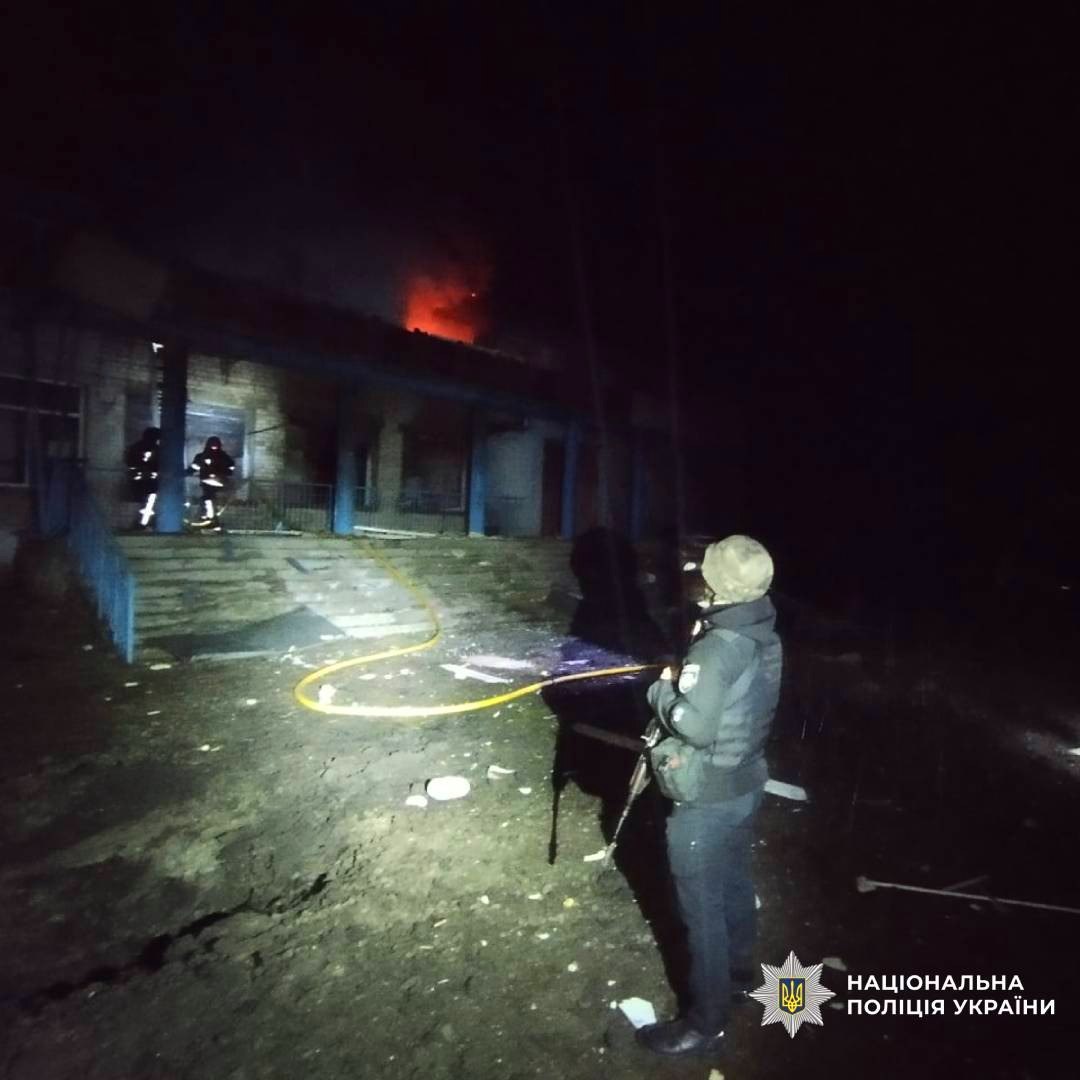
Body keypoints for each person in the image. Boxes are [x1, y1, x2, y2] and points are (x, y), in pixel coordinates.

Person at [636, 534, 782, 1059]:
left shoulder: (717, 647)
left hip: (709, 797)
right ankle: (739, 977)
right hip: (746, 781)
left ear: (716, 583)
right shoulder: (763, 630)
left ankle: (705, 1022)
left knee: (701, 910)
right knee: (734, 883)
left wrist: (661, 690)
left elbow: (694, 726)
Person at [189, 436, 235, 529]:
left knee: (208, 499)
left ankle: (210, 518)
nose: (214, 447)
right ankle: (208, 517)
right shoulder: (201, 456)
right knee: (207, 499)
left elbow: (230, 468)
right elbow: (194, 467)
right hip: (207, 483)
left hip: (218, 482)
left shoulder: (224, 457)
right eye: (212, 445)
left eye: (215, 445)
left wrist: (220, 473)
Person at [124, 426, 160, 529]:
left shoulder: (135, 447)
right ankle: (143, 523)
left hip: (138, 479)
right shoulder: (156, 449)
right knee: (149, 501)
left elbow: (129, 462)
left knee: (141, 501)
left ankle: (142, 522)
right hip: (149, 480)